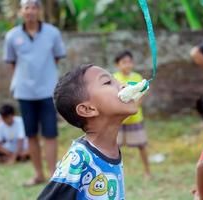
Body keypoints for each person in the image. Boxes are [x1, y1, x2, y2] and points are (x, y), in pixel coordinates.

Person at [38, 64, 138, 199]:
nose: (124, 85)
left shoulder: (111, 150)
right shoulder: (79, 158)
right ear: (87, 109)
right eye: (108, 82)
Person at [3, 0, 66, 186]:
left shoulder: (52, 33)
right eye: (26, 7)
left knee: (50, 134)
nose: (30, 11)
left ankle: (53, 174)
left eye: (34, 7)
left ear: (39, 10)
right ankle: (38, 174)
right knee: (31, 134)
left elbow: (56, 58)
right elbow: (12, 63)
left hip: (48, 91)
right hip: (24, 92)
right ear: (20, 11)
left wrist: (43, 77)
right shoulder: (12, 36)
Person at [113, 50, 151, 178]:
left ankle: (147, 171)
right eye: (124, 62)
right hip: (118, 119)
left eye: (129, 62)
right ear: (117, 65)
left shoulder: (137, 77)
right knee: (113, 147)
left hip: (135, 118)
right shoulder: (114, 78)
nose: (127, 65)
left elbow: (141, 95)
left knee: (141, 145)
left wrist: (133, 107)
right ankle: (114, 172)